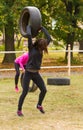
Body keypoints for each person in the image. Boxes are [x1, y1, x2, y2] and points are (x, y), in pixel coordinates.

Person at [17, 25, 51, 116]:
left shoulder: (41, 50)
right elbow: (28, 35)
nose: (45, 46)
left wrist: (42, 28)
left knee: (44, 90)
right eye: (44, 44)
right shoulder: (31, 48)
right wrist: (28, 26)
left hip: (36, 74)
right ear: (40, 44)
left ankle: (39, 105)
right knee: (25, 92)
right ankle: (19, 110)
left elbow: (49, 38)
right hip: (28, 73)